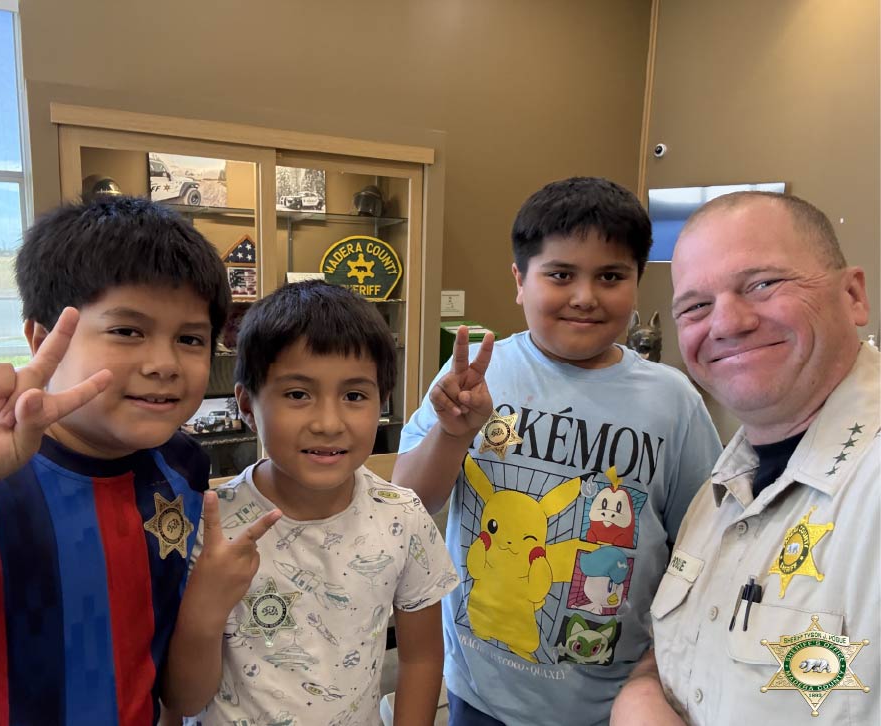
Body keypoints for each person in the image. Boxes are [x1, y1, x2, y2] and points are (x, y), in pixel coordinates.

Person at [393, 177, 722, 725]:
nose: (585, 296)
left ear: (638, 283)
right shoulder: (478, 374)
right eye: (561, 274)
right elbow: (407, 501)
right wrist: (452, 432)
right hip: (481, 691)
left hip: (613, 700)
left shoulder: (674, 401)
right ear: (520, 280)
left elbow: (704, 545)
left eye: (611, 276)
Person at [0, 195, 232, 724]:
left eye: (190, 339)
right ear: (42, 340)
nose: (164, 364)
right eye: (127, 331)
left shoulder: (183, 466)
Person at [611, 192, 879, 725]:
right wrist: (640, 695)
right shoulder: (728, 484)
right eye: (695, 306)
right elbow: (691, 649)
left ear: (852, 294)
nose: (727, 323)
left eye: (762, 284)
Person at [163, 280, 459, 726]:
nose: (328, 423)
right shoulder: (209, 525)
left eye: (355, 396)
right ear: (246, 403)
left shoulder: (403, 517)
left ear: (383, 401)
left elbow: (420, 659)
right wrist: (205, 609)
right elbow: (182, 701)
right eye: (298, 394)